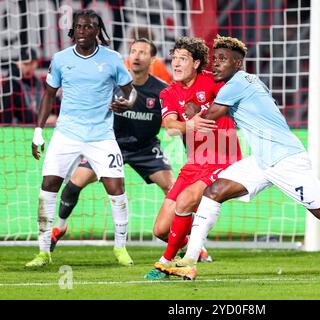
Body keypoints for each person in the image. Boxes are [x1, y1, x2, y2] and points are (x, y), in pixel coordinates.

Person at [154, 35, 320, 282]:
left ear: (238, 64)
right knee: (214, 191)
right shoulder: (246, 82)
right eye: (215, 59)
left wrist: (189, 116)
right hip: (261, 160)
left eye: (223, 59)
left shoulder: (237, 84)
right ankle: (189, 261)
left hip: (285, 160)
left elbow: (209, 117)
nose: (216, 64)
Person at [25, 9, 137, 268]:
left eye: (89, 27)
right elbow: (49, 95)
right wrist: (39, 131)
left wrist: (126, 104)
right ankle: (43, 252)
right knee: (48, 185)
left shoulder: (112, 59)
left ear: (98, 30)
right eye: (78, 27)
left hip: (101, 135)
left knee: (116, 189)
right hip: (66, 134)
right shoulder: (62, 59)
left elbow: (132, 93)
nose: (83, 31)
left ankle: (120, 248)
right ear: (72, 30)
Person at [49, 38, 175, 258]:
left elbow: (175, 119)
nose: (136, 56)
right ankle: (59, 226)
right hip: (109, 144)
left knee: (174, 190)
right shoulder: (111, 84)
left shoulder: (162, 90)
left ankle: (190, 241)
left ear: (153, 59)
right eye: (133, 51)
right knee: (73, 184)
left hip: (145, 148)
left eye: (143, 52)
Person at [144, 36, 242, 280]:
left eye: (183, 59)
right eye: (174, 58)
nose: (176, 63)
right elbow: (169, 126)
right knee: (160, 229)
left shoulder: (212, 80)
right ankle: (193, 246)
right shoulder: (168, 92)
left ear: (196, 63)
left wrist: (204, 113)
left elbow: (233, 101)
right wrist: (191, 124)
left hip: (223, 156)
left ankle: (165, 263)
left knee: (185, 201)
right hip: (194, 163)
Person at [1, 49, 58, 125]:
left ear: (36, 63)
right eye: (25, 64)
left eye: (31, 63)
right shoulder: (11, 85)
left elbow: (56, 104)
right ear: (18, 63)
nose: (29, 67)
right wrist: (45, 118)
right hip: (18, 130)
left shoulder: (40, 84)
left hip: (39, 128)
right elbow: (21, 114)